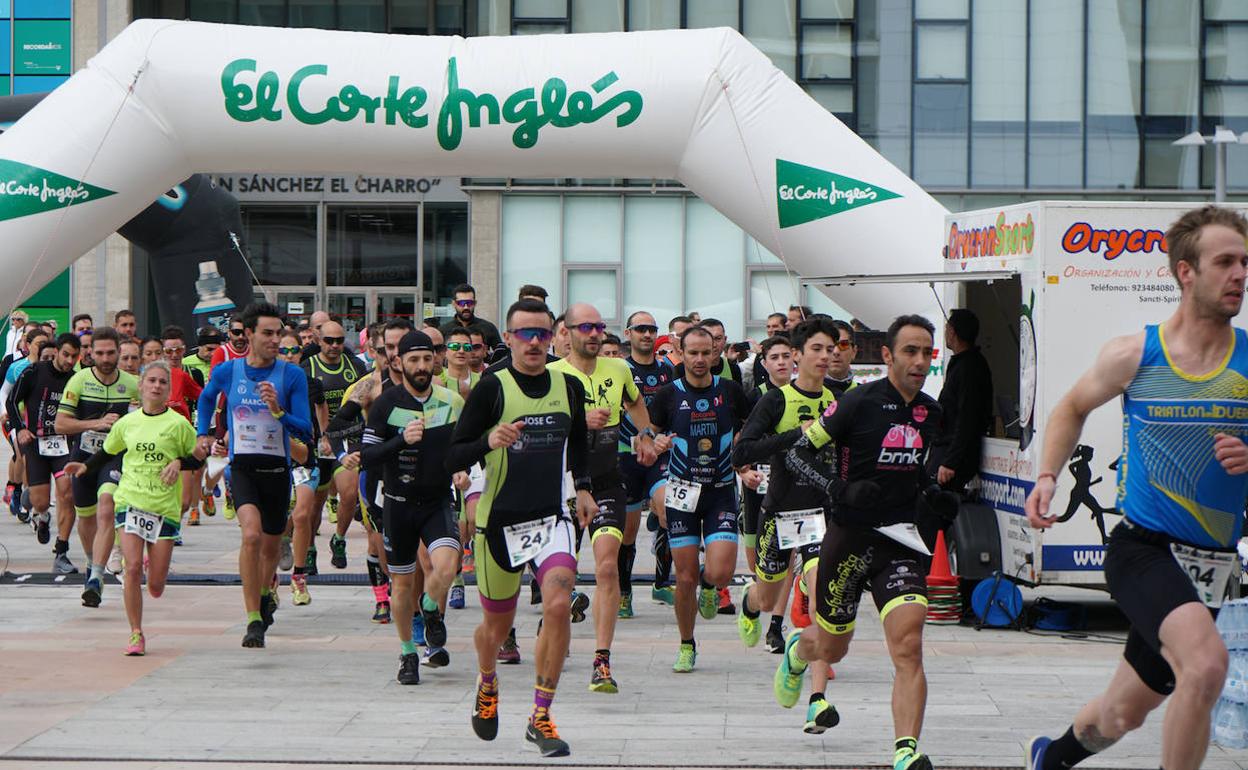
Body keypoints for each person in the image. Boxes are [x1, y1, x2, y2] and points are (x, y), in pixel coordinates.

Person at [1023, 206, 1248, 770]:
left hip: (1213, 563)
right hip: (1143, 551)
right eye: (1225, 261)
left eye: (1245, 262)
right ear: (1185, 272)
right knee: (1205, 666)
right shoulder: (1136, 355)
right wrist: (1048, 475)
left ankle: (1049, 759)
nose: (1240, 274)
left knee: (1121, 716)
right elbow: (1070, 408)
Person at [775, 314, 952, 770]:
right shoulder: (857, 402)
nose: (919, 361)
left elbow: (917, 469)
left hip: (900, 542)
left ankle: (905, 752)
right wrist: (837, 489)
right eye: (909, 351)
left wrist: (931, 492)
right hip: (849, 540)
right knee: (832, 648)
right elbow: (797, 455)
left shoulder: (930, 413)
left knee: (909, 643)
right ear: (887, 355)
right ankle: (798, 653)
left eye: (926, 352)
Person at [448, 297, 594, 758]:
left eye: (543, 334)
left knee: (557, 603)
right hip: (500, 522)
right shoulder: (493, 388)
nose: (534, 343)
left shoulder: (568, 386)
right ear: (507, 339)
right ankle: (487, 679)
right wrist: (487, 440)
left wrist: (585, 487)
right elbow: (453, 454)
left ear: (556, 337)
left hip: (552, 519)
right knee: (496, 626)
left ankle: (541, 715)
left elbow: (581, 444)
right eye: (525, 334)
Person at [734, 320, 841, 733]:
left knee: (821, 603)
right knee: (765, 598)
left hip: (821, 518)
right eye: (817, 348)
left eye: (831, 348)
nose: (825, 355)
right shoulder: (777, 401)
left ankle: (816, 700)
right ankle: (749, 600)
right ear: (797, 356)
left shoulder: (838, 402)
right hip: (780, 514)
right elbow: (741, 451)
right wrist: (795, 436)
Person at [549, 303, 657, 694]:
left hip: (606, 479)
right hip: (561, 485)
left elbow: (636, 404)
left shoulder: (619, 369)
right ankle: (552, 620)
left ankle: (601, 661)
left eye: (599, 327)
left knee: (608, 568)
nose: (594, 334)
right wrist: (577, 421)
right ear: (568, 332)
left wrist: (644, 435)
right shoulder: (552, 375)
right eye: (586, 327)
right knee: (557, 579)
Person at [66, 360, 205, 654]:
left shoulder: (178, 424)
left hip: (163, 508)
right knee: (130, 569)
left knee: (155, 585)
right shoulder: (127, 423)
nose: (156, 386)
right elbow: (106, 452)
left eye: (162, 382)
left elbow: (197, 458)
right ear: (140, 386)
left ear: (169, 389)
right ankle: (136, 633)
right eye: (151, 381)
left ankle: (152, 575)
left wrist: (180, 462)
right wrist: (84, 468)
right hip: (130, 501)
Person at [195, 302, 312, 649]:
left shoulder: (292, 376)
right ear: (248, 334)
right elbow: (205, 400)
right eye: (268, 333)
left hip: (277, 470)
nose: (275, 340)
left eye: (279, 333)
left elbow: (306, 429)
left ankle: (265, 594)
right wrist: (204, 434)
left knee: (271, 545)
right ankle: (252, 619)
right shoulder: (229, 371)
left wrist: (279, 411)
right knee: (250, 536)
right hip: (242, 467)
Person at [362, 330, 465, 683]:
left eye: (426, 359)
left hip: (437, 501)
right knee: (403, 587)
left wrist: (464, 468)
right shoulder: (386, 404)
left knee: (448, 566)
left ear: (436, 361)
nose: (421, 366)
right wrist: (399, 440)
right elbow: (368, 455)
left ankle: (433, 608)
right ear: (399, 362)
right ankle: (408, 652)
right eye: (413, 360)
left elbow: (464, 446)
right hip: (398, 505)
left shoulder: (452, 401)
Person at [647, 325, 751, 673]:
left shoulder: (731, 391)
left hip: (720, 490)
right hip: (682, 493)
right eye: (693, 352)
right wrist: (655, 445)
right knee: (685, 577)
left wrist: (744, 452)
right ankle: (687, 644)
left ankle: (712, 585)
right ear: (681, 351)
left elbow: (752, 427)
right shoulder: (668, 394)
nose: (700, 359)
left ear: (716, 352)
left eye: (707, 352)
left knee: (720, 572)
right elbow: (647, 437)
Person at [55, 328, 138, 607]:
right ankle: (93, 564)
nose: (105, 358)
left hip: (114, 458)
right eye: (99, 353)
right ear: (90, 354)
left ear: (118, 352)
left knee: (106, 507)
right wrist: (95, 424)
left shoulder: (132, 383)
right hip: (84, 458)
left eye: (110, 353)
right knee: (87, 518)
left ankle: (97, 578)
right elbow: (61, 424)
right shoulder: (79, 381)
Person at [738, 333, 796, 646]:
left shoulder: (808, 393)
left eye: (786, 356)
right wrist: (744, 472)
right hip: (757, 487)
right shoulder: (756, 395)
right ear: (765, 363)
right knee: (761, 569)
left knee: (788, 560)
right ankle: (752, 601)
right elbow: (740, 442)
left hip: (792, 489)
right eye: (775, 357)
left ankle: (776, 626)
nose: (782, 362)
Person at [619, 312, 676, 611]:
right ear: (628, 334)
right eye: (640, 329)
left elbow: (676, 409)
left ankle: (660, 582)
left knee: (669, 508)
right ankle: (624, 591)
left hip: (658, 455)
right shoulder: (619, 369)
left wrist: (668, 439)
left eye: (652, 329)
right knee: (627, 532)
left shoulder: (667, 369)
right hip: (626, 456)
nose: (647, 334)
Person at [9, 333, 80, 571]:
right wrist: (20, 429)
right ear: (57, 351)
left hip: (63, 445)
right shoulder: (34, 372)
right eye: (66, 354)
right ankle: (43, 516)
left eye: (74, 356)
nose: (70, 360)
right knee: (40, 501)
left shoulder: (76, 379)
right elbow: (12, 401)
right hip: (36, 442)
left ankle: (61, 551)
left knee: (67, 493)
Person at [277, 330, 325, 606]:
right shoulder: (268, 382)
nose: (289, 356)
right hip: (275, 459)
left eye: (293, 350)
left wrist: (327, 436)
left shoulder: (310, 383)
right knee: (276, 522)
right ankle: (270, 581)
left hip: (305, 457)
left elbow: (321, 411)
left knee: (303, 514)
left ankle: (299, 576)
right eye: (283, 351)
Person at [931, 309, 993, 492]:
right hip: (947, 450)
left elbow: (967, 418)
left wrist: (950, 462)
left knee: (935, 507)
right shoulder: (964, 363)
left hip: (953, 457)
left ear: (952, 332)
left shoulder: (969, 368)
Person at [674, 319, 742, 384]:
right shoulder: (681, 369)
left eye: (718, 338)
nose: (713, 344)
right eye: (708, 338)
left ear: (725, 340)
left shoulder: (733, 369)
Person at [440, 283, 502, 351]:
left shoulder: (488, 328)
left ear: (475, 303)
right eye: (461, 303)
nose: (466, 307)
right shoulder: (443, 331)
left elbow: (501, 355)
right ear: (454, 304)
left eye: (469, 303)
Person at [440, 327, 481, 399]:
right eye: (455, 346)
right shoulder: (437, 380)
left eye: (466, 347)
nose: (461, 351)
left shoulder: (481, 380)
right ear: (445, 351)